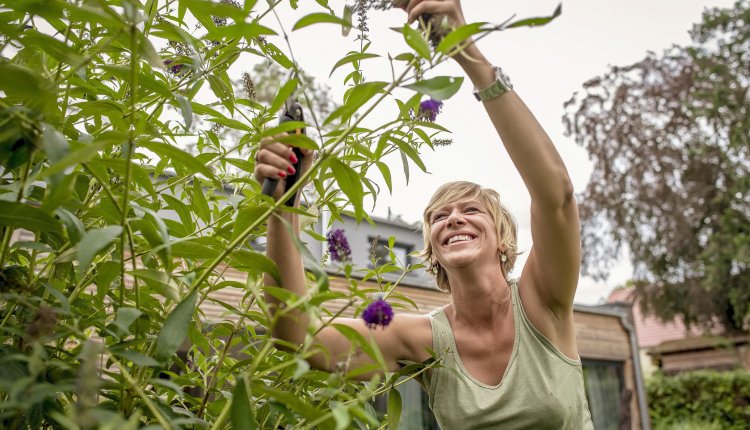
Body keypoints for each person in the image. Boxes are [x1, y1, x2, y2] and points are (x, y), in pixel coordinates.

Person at [253, 0, 595, 428]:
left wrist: (464, 49)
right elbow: (296, 336)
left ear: (504, 240)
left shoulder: (544, 305)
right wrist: (285, 206)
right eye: (438, 217)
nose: (453, 219)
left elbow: (557, 196)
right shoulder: (423, 340)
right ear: (432, 249)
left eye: (471, 210)